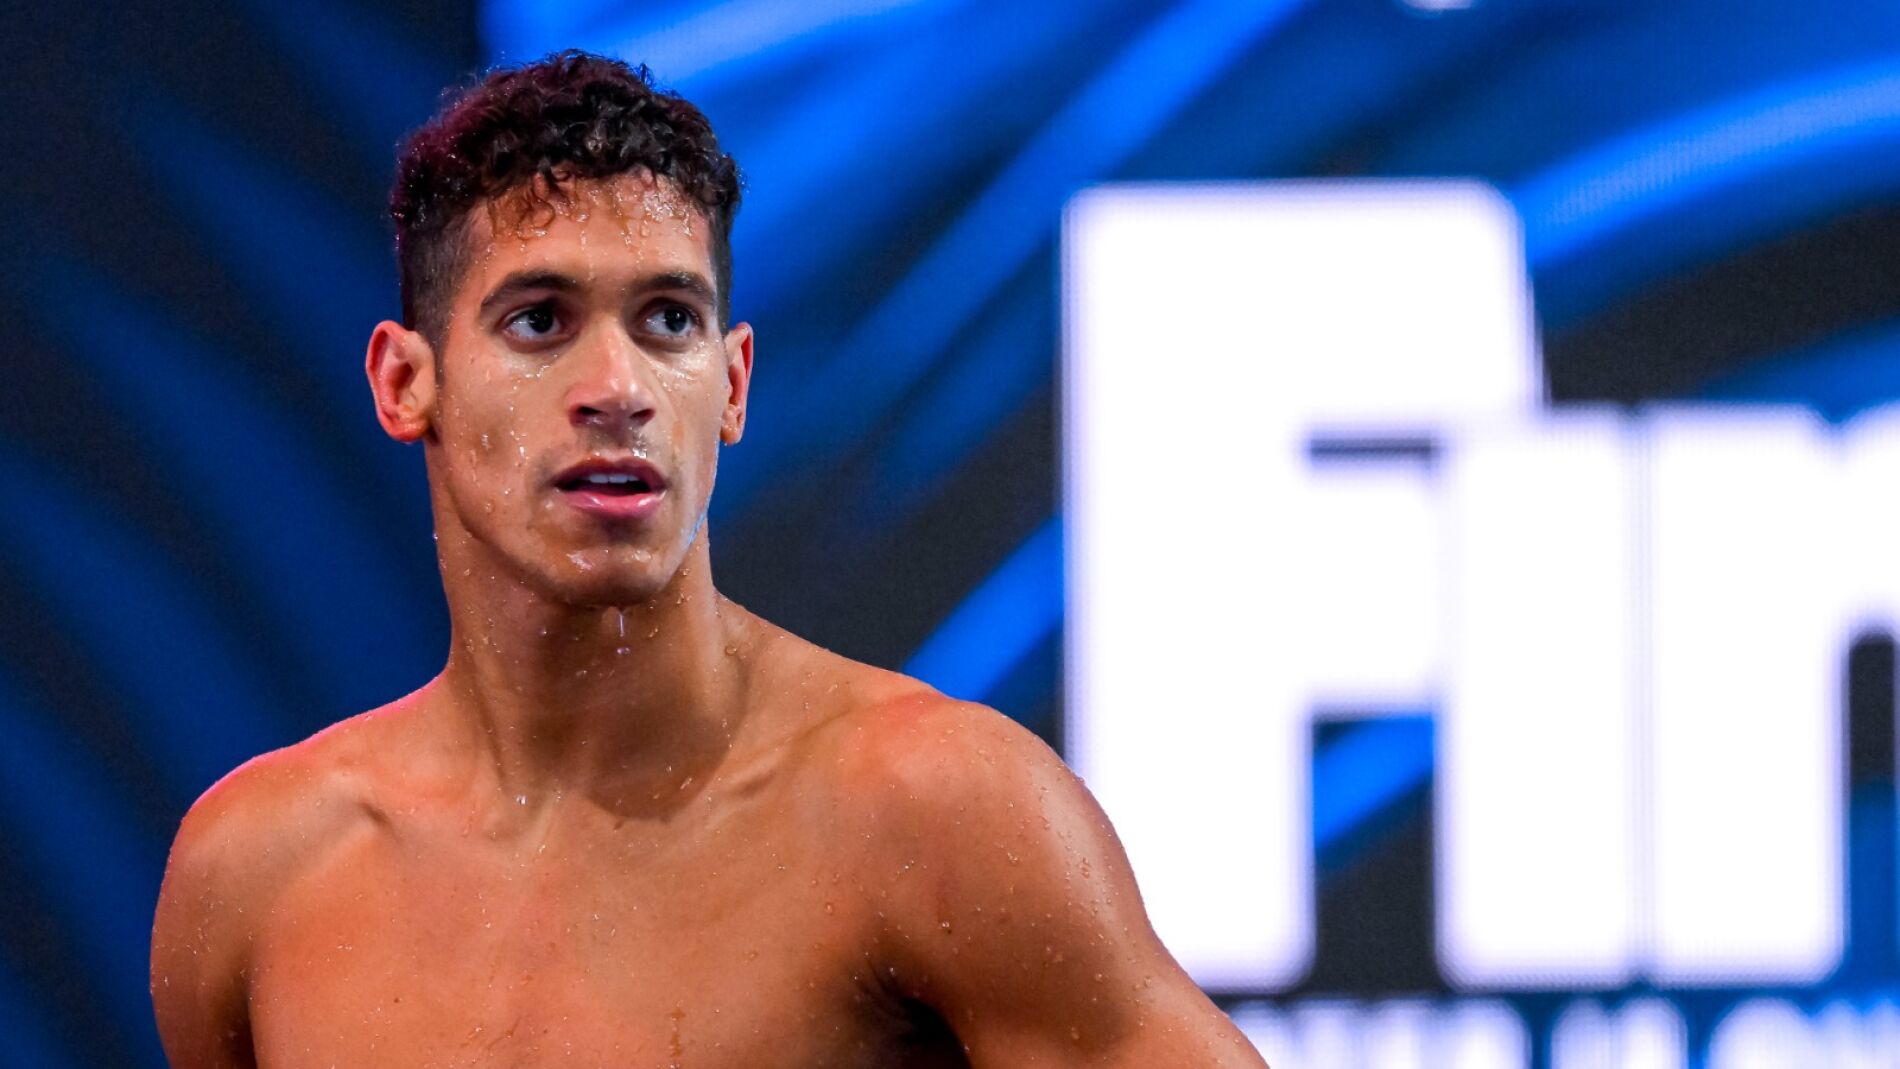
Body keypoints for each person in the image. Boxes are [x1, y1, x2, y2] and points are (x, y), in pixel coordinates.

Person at [150, 50, 1267, 1068]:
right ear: (406, 382)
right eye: (540, 321)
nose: (618, 388)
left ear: (731, 384)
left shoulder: (929, 810)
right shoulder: (257, 872)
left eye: (667, 321)